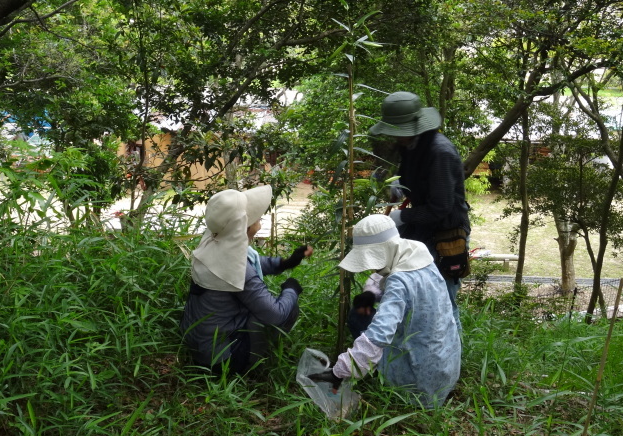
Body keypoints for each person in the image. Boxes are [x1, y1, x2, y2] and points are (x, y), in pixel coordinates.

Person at [310, 215, 461, 408]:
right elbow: (389, 281)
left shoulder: (399, 282)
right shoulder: (418, 254)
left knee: (360, 321)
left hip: (417, 385)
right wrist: (372, 293)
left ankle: (392, 383)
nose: (373, 267)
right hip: (445, 368)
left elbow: (379, 334)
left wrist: (340, 371)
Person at [180, 185, 313, 374]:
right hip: (223, 359)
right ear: (245, 226)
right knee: (283, 308)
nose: (259, 218)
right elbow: (275, 315)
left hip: (200, 344)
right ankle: (255, 366)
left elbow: (249, 262)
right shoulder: (239, 272)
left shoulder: (213, 244)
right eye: (255, 217)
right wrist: (291, 289)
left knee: (261, 305)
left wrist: (286, 262)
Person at [370, 91, 471, 308]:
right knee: (420, 299)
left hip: (447, 233)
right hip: (423, 231)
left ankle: (451, 342)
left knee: (443, 302)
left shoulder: (440, 153)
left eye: (398, 131)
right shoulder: (411, 145)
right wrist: (399, 187)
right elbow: (414, 178)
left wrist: (401, 216)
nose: (394, 137)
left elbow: (440, 207)